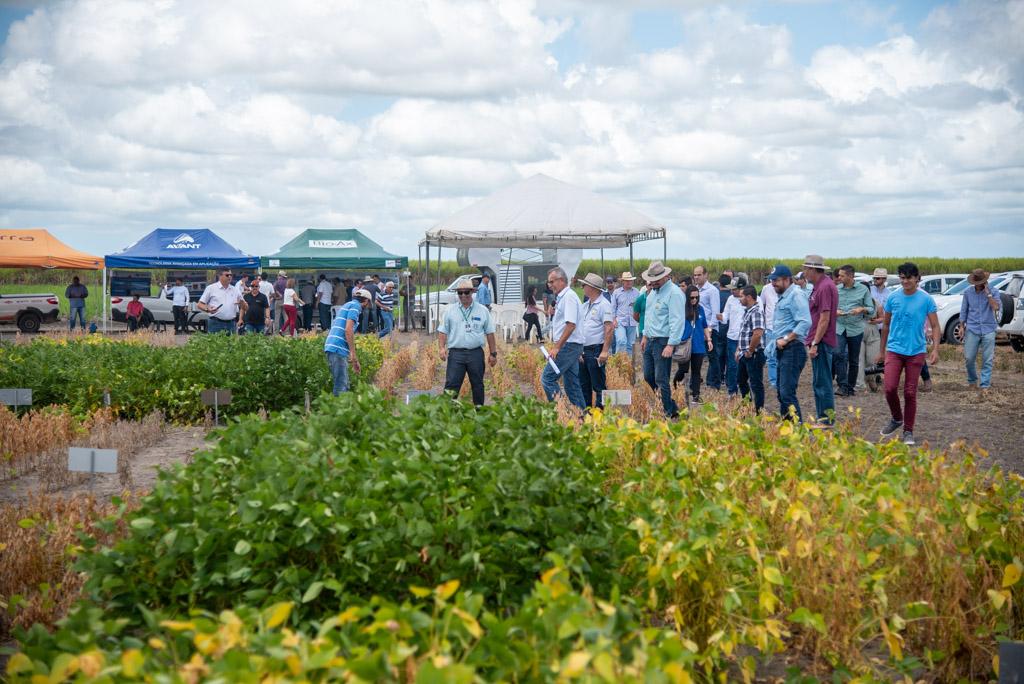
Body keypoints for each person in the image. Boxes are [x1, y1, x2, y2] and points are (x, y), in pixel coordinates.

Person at [876, 262, 940, 445]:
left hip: (916, 352)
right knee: (889, 388)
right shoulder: (893, 298)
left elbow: (935, 326)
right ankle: (897, 418)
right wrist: (882, 351)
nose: (905, 281)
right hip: (894, 350)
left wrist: (935, 349)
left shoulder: (926, 299)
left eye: (909, 278)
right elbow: (886, 325)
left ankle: (908, 431)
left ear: (917, 279)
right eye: (902, 278)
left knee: (910, 393)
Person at [438, 278, 497, 406]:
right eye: (460, 293)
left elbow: (490, 333)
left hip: (475, 353)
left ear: (472, 292)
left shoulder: (482, 310)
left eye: (466, 292)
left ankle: (479, 411)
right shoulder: (450, 310)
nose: (463, 295)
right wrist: (441, 348)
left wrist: (493, 354)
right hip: (456, 354)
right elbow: (442, 331)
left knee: (478, 385)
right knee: (451, 386)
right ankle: (448, 414)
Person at [639, 261, 685, 419]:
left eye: (656, 279)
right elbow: (649, 316)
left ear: (665, 276)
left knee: (661, 378)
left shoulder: (675, 293)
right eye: (651, 279)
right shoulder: (653, 293)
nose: (652, 282)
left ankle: (666, 412)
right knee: (648, 376)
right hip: (650, 339)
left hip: (663, 341)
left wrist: (671, 344)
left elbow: (677, 321)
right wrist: (644, 335)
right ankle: (671, 407)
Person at [768, 264, 811, 422]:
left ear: (787, 279)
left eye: (776, 280)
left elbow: (805, 322)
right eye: (771, 281)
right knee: (781, 392)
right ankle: (786, 428)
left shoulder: (796, 295)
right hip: (784, 349)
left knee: (787, 393)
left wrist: (786, 339)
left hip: (793, 349)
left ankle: (797, 428)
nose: (773, 284)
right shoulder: (784, 296)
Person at [541, 267, 586, 409]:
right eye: (549, 282)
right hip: (571, 345)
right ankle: (582, 418)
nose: (550, 285)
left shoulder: (569, 297)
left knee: (547, 378)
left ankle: (562, 412)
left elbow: (571, 325)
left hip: (568, 345)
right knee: (572, 385)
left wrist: (557, 347)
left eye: (551, 282)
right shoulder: (563, 297)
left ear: (561, 280)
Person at [802, 255, 838, 427]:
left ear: (813, 269)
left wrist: (815, 342)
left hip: (821, 341)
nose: (803, 272)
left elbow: (824, 318)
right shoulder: (820, 286)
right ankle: (822, 417)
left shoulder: (824, 287)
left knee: (822, 382)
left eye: (805, 268)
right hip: (818, 339)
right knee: (819, 381)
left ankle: (826, 419)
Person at [834, 265, 878, 397]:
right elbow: (830, 308)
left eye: (842, 276)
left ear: (851, 276)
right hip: (840, 327)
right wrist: (835, 312)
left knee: (854, 359)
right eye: (839, 275)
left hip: (856, 329)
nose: (839, 278)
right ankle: (842, 385)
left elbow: (871, 310)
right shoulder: (836, 290)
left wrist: (861, 309)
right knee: (838, 354)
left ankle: (850, 387)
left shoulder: (863, 289)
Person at [960, 268, 1002, 391]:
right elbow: (964, 311)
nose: (978, 285)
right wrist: (962, 326)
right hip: (972, 328)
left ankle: (985, 385)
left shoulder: (994, 291)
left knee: (987, 359)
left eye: (981, 282)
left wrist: (988, 294)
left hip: (989, 328)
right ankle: (972, 380)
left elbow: (995, 307)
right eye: (976, 283)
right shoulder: (968, 293)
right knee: (969, 358)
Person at [577, 273, 614, 409]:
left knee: (598, 384)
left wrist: (604, 351)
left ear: (592, 288)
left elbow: (609, 328)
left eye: (584, 285)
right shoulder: (585, 305)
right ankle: (587, 411)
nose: (582, 288)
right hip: (584, 350)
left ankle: (601, 413)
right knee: (584, 384)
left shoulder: (604, 305)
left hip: (595, 350)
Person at [325, 288, 370, 395]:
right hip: (337, 347)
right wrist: (353, 354)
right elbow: (348, 330)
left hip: (334, 346)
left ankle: (339, 408)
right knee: (341, 386)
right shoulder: (356, 307)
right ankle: (337, 410)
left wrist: (354, 360)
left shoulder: (348, 304)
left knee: (343, 383)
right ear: (366, 301)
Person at [672, 284, 712, 404]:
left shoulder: (701, 309)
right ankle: (675, 386)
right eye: (692, 297)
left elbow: (704, 326)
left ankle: (696, 395)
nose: (694, 300)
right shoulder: (681, 309)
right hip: (685, 344)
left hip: (698, 345)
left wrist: (709, 340)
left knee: (696, 371)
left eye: (696, 297)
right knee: (683, 370)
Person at [735, 285, 767, 413]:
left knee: (756, 383)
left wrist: (750, 351)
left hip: (754, 354)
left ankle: (759, 411)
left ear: (749, 297)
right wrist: (739, 349)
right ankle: (747, 407)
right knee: (741, 380)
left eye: (741, 296)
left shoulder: (756, 312)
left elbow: (757, 333)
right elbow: (744, 333)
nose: (739, 299)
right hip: (745, 353)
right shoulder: (748, 311)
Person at [858, 268, 890, 392]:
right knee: (860, 359)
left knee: (873, 359)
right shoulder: (855, 302)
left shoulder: (878, 300)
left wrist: (876, 321)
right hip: (859, 332)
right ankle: (860, 384)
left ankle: (872, 378)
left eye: (878, 278)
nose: (875, 280)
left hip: (876, 331)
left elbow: (882, 317)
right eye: (874, 278)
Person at [717, 276, 746, 396]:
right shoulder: (730, 299)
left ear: (742, 288)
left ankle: (745, 390)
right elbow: (725, 317)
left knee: (745, 366)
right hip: (733, 338)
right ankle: (732, 391)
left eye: (734, 289)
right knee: (732, 365)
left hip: (746, 339)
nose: (731, 291)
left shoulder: (755, 299)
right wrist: (720, 317)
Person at [694, 266, 720, 387]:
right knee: (699, 355)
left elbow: (715, 312)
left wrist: (709, 329)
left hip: (710, 329)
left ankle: (715, 383)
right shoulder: (696, 290)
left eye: (699, 275)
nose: (696, 277)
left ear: (706, 275)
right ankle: (705, 381)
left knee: (712, 357)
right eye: (695, 275)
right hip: (699, 328)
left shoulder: (712, 290)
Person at [198, 268, 246, 335]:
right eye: (227, 275)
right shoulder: (211, 288)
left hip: (231, 324)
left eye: (231, 275)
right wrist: (207, 309)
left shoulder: (235, 290)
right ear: (220, 276)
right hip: (215, 323)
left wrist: (242, 303)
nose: (229, 277)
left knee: (231, 345)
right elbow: (200, 304)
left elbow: (246, 308)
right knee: (214, 345)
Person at [610, 271, 640, 355]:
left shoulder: (637, 292)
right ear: (622, 281)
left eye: (630, 280)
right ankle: (618, 364)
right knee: (621, 341)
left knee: (630, 345)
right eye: (627, 280)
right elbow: (612, 307)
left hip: (632, 321)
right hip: (620, 321)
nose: (629, 282)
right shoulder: (616, 292)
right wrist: (613, 320)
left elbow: (639, 307)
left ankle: (627, 366)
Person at [758, 276, 779, 388]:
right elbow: (762, 305)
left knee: (783, 356)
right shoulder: (766, 288)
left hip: (783, 329)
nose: (773, 281)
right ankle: (773, 381)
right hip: (770, 327)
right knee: (771, 355)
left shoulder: (790, 289)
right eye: (772, 279)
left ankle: (782, 380)